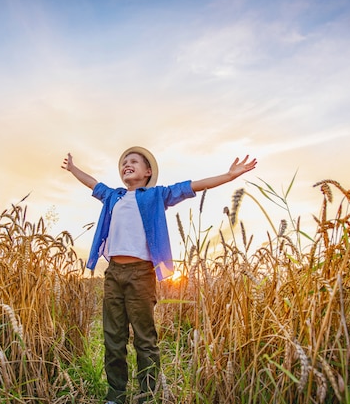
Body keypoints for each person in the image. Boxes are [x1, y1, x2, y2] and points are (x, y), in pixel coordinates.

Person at [61, 146, 256, 404]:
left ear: (148, 172)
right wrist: (74, 169)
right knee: (113, 338)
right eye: (123, 162)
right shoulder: (113, 197)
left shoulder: (156, 196)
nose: (126, 164)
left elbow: (192, 186)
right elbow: (93, 183)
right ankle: (116, 396)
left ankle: (147, 395)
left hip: (141, 274)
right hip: (113, 274)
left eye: (133, 161)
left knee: (144, 338)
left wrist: (229, 176)